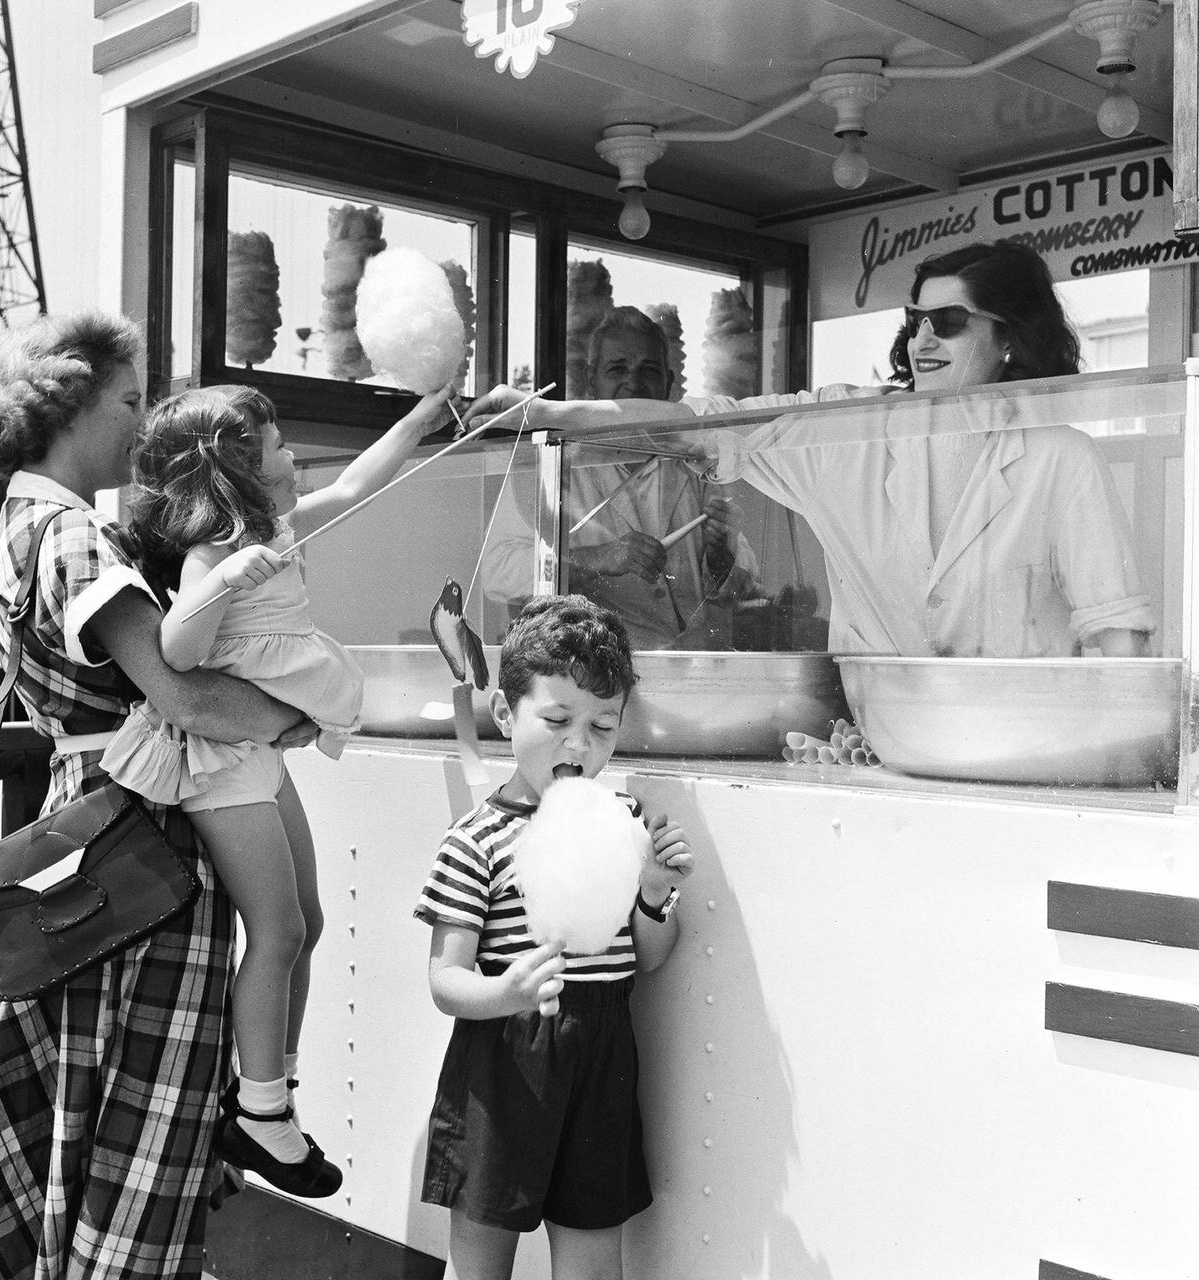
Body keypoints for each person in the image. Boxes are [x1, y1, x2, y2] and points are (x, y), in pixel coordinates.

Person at [0, 311, 315, 1280]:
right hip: (141, 819)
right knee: (141, 1111)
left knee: (72, 1100)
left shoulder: (16, 526)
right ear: (68, 406)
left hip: (80, 821)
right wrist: (290, 716)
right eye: (132, 401)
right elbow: (174, 690)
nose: (144, 426)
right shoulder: (74, 540)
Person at [100, 380, 454, 1196]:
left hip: (262, 754)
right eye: (277, 444)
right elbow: (179, 653)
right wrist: (225, 580)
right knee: (281, 929)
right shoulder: (215, 552)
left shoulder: (277, 529)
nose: (294, 455)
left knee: (309, 922)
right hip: (221, 766)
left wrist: (423, 418)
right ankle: (259, 1113)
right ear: (237, 467)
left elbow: (361, 484)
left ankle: (273, 1096)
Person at [468, 243, 1154, 658]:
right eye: (916, 322)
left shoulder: (1063, 459)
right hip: (884, 744)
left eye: (949, 323)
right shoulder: (848, 430)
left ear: (1011, 339)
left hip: (1024, 754)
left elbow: (1117, 636)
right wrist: (554, 412)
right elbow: (709, 421)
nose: (922, 342)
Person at [414, 594, 693, 1280]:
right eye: (558, 720)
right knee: (480, 1262)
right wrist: (504, 991)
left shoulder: (624, 824)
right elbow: (445, 982)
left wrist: (654, 891)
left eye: (603, 726)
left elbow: (649, 960)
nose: (580, 744)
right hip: (502, 1062)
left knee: (595, 1262)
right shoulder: (474, 841)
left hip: (601, 1059)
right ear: (506, 714)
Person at [483, 307, 759, 650]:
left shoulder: (697, 460)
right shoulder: (553, 463)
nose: (633, 382)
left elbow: (746, 581)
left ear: (668, 385)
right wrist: (598, 559)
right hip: (596, 670)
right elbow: (497, 570)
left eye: (649, 370)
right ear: (591, 380)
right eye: (617, 369)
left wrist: (721, 554)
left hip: (689, 666)